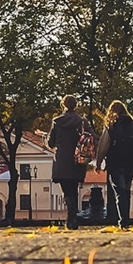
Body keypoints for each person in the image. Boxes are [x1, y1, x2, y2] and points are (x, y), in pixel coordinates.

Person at [101, 100, 133, 228]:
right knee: (126, 190)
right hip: (130, 163)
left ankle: (123, 221)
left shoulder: (111, 124)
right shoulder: (132, 124)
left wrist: (98, 163)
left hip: (115, 163)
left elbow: (103, 146)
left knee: (120, 192)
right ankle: (125, 220)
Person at [46, 95, 86, 228]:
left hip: (62, 159)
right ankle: (72, 218)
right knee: (73, 189)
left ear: (63, 105)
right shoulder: (81, 121)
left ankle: (71, 217)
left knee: (66, 190)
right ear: (76, 105)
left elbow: (51, 142)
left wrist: (46, 139)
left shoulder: (57, 121)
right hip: (76, 159)